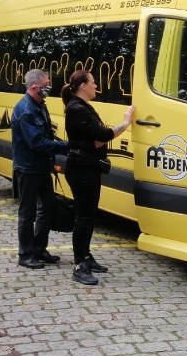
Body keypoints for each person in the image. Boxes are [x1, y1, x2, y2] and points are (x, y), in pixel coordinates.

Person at [62, 70, 135, 285]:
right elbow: (103, 134)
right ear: (83, 86)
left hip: (88, 167)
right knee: (83, 218)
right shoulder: (77, 108)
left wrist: (101, 136)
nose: (96, 86)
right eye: (93, 83)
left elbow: (99, 134)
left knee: (89, 215)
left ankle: (86, 256)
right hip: (81, 169)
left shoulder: (82, 107)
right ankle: (78, 266)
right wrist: (125, 123)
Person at [11, 69, 68, 269]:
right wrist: (65, 146)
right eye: (46, 85)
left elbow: (47, 135)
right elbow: (37, 143)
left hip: (42, 166)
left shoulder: (39, 105)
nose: (49, 88)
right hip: (28, 169)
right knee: (27, 214)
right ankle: (25, 254)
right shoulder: (25, 110)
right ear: (34, 87)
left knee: (47, 207)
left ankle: (39, 249)